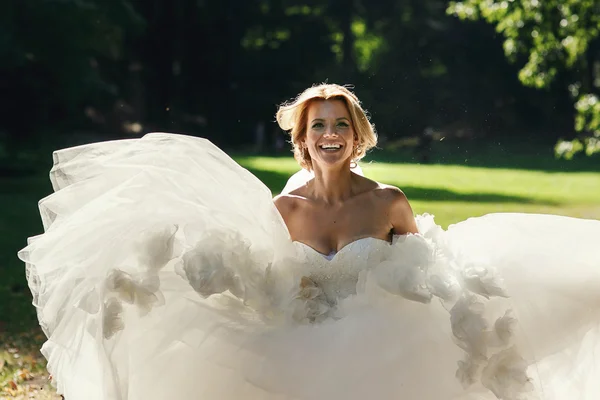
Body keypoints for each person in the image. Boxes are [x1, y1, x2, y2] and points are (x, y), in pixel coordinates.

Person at [18, 84, 600, 400]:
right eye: (318, 125)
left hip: (385, 347)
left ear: (357, 136)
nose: (330, 134)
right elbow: (266, 284)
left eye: (341, 124)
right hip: (297, 348)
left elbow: (431, 271)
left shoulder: (388, 201)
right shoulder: (283, 211)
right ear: (303, 139)